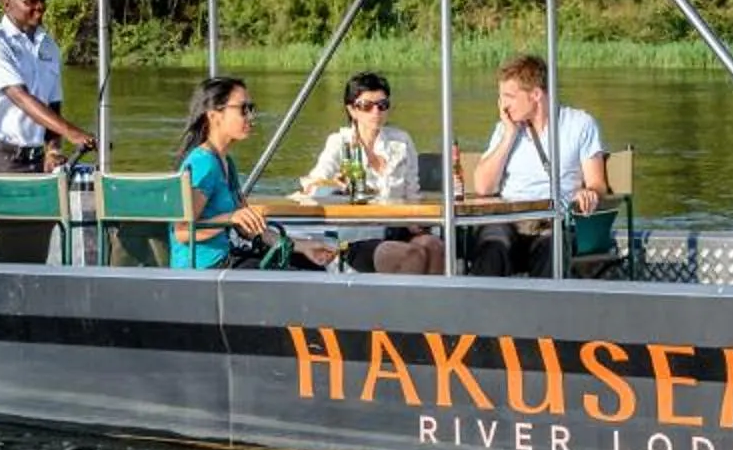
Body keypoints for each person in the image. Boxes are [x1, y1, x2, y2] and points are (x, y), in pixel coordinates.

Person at [0, 0, 95, 264]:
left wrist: (53, 148)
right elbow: (21, 97)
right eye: (31, 2)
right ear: (7, 5)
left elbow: (53, 101)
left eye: (42, 0)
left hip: (34, 160)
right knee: (1, 249)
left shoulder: (47, 45)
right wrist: (74, 132)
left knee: (35, 243)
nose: (40, 7)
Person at [462, 51, 607, 279]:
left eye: (509, 96)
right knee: (492, 242)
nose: (502, 105)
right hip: (508, 220)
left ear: (536, 95)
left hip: (551, 221)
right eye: (501, 97)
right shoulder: (504, 128)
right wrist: (509, 135)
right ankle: (482, 310)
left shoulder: (580, 124)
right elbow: (483, 188)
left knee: (552, 246)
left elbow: (598, 184)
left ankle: (545, 312)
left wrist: (589, 193)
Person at [178, 75, 332, 272]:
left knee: (310, 266)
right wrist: (230, 218)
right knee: (299, 277)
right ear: (214, 115)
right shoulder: (203, 163)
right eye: (243, 109)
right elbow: (183, 231)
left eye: (251, 109)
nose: (251, 117)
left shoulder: (226, 162)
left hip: (226, 259)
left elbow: (248, 229)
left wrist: (302, 246)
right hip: (204, 268)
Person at [297, 73, 435, 275]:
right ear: (352, 109)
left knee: (435, 247)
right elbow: (313, 184)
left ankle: (437, 306)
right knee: (407, 255)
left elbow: (412, 194)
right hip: (359, 236)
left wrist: (418, 223)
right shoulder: (339, 143)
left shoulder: (402, 141)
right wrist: (334, 185)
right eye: (366, 106)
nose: (376, 111)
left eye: (382, 105)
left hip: (398, 227)